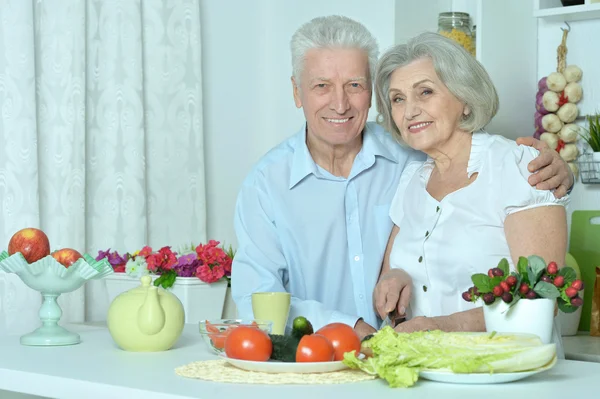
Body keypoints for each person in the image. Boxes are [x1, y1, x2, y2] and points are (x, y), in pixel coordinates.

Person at [231, 15, 573, 340]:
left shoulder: (418, 158)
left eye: (354, 85)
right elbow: (255, 300)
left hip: (491, 369)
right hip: (340, 363)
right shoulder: (269, 184)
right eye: (321, 86)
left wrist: (560, 173)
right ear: (296, 92)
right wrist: (377, 299)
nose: (340, 104)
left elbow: (541, 295)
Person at [371, 32, 568, 350]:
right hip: (424, 371)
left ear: (464, 99)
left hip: (508, 374)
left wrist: (441, 328)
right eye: (398, 98)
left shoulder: (518, 166)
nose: (409, 111)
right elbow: (393, 271)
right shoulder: (410, 182)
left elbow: (542, 298)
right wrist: (393, 280)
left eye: (425, 92)